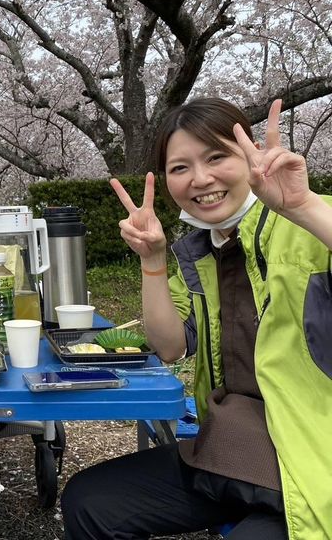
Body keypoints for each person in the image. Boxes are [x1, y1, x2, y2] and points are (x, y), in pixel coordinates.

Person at [61, 98, 332, 539]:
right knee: (91, 502)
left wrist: (302, 207)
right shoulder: (204, 251)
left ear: (249, 156)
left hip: (315, 458)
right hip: (238, 448)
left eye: (216, 157)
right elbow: (170, 347)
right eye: (180, 167)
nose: (200, 179)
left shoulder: (312, 226)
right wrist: (153, 261)